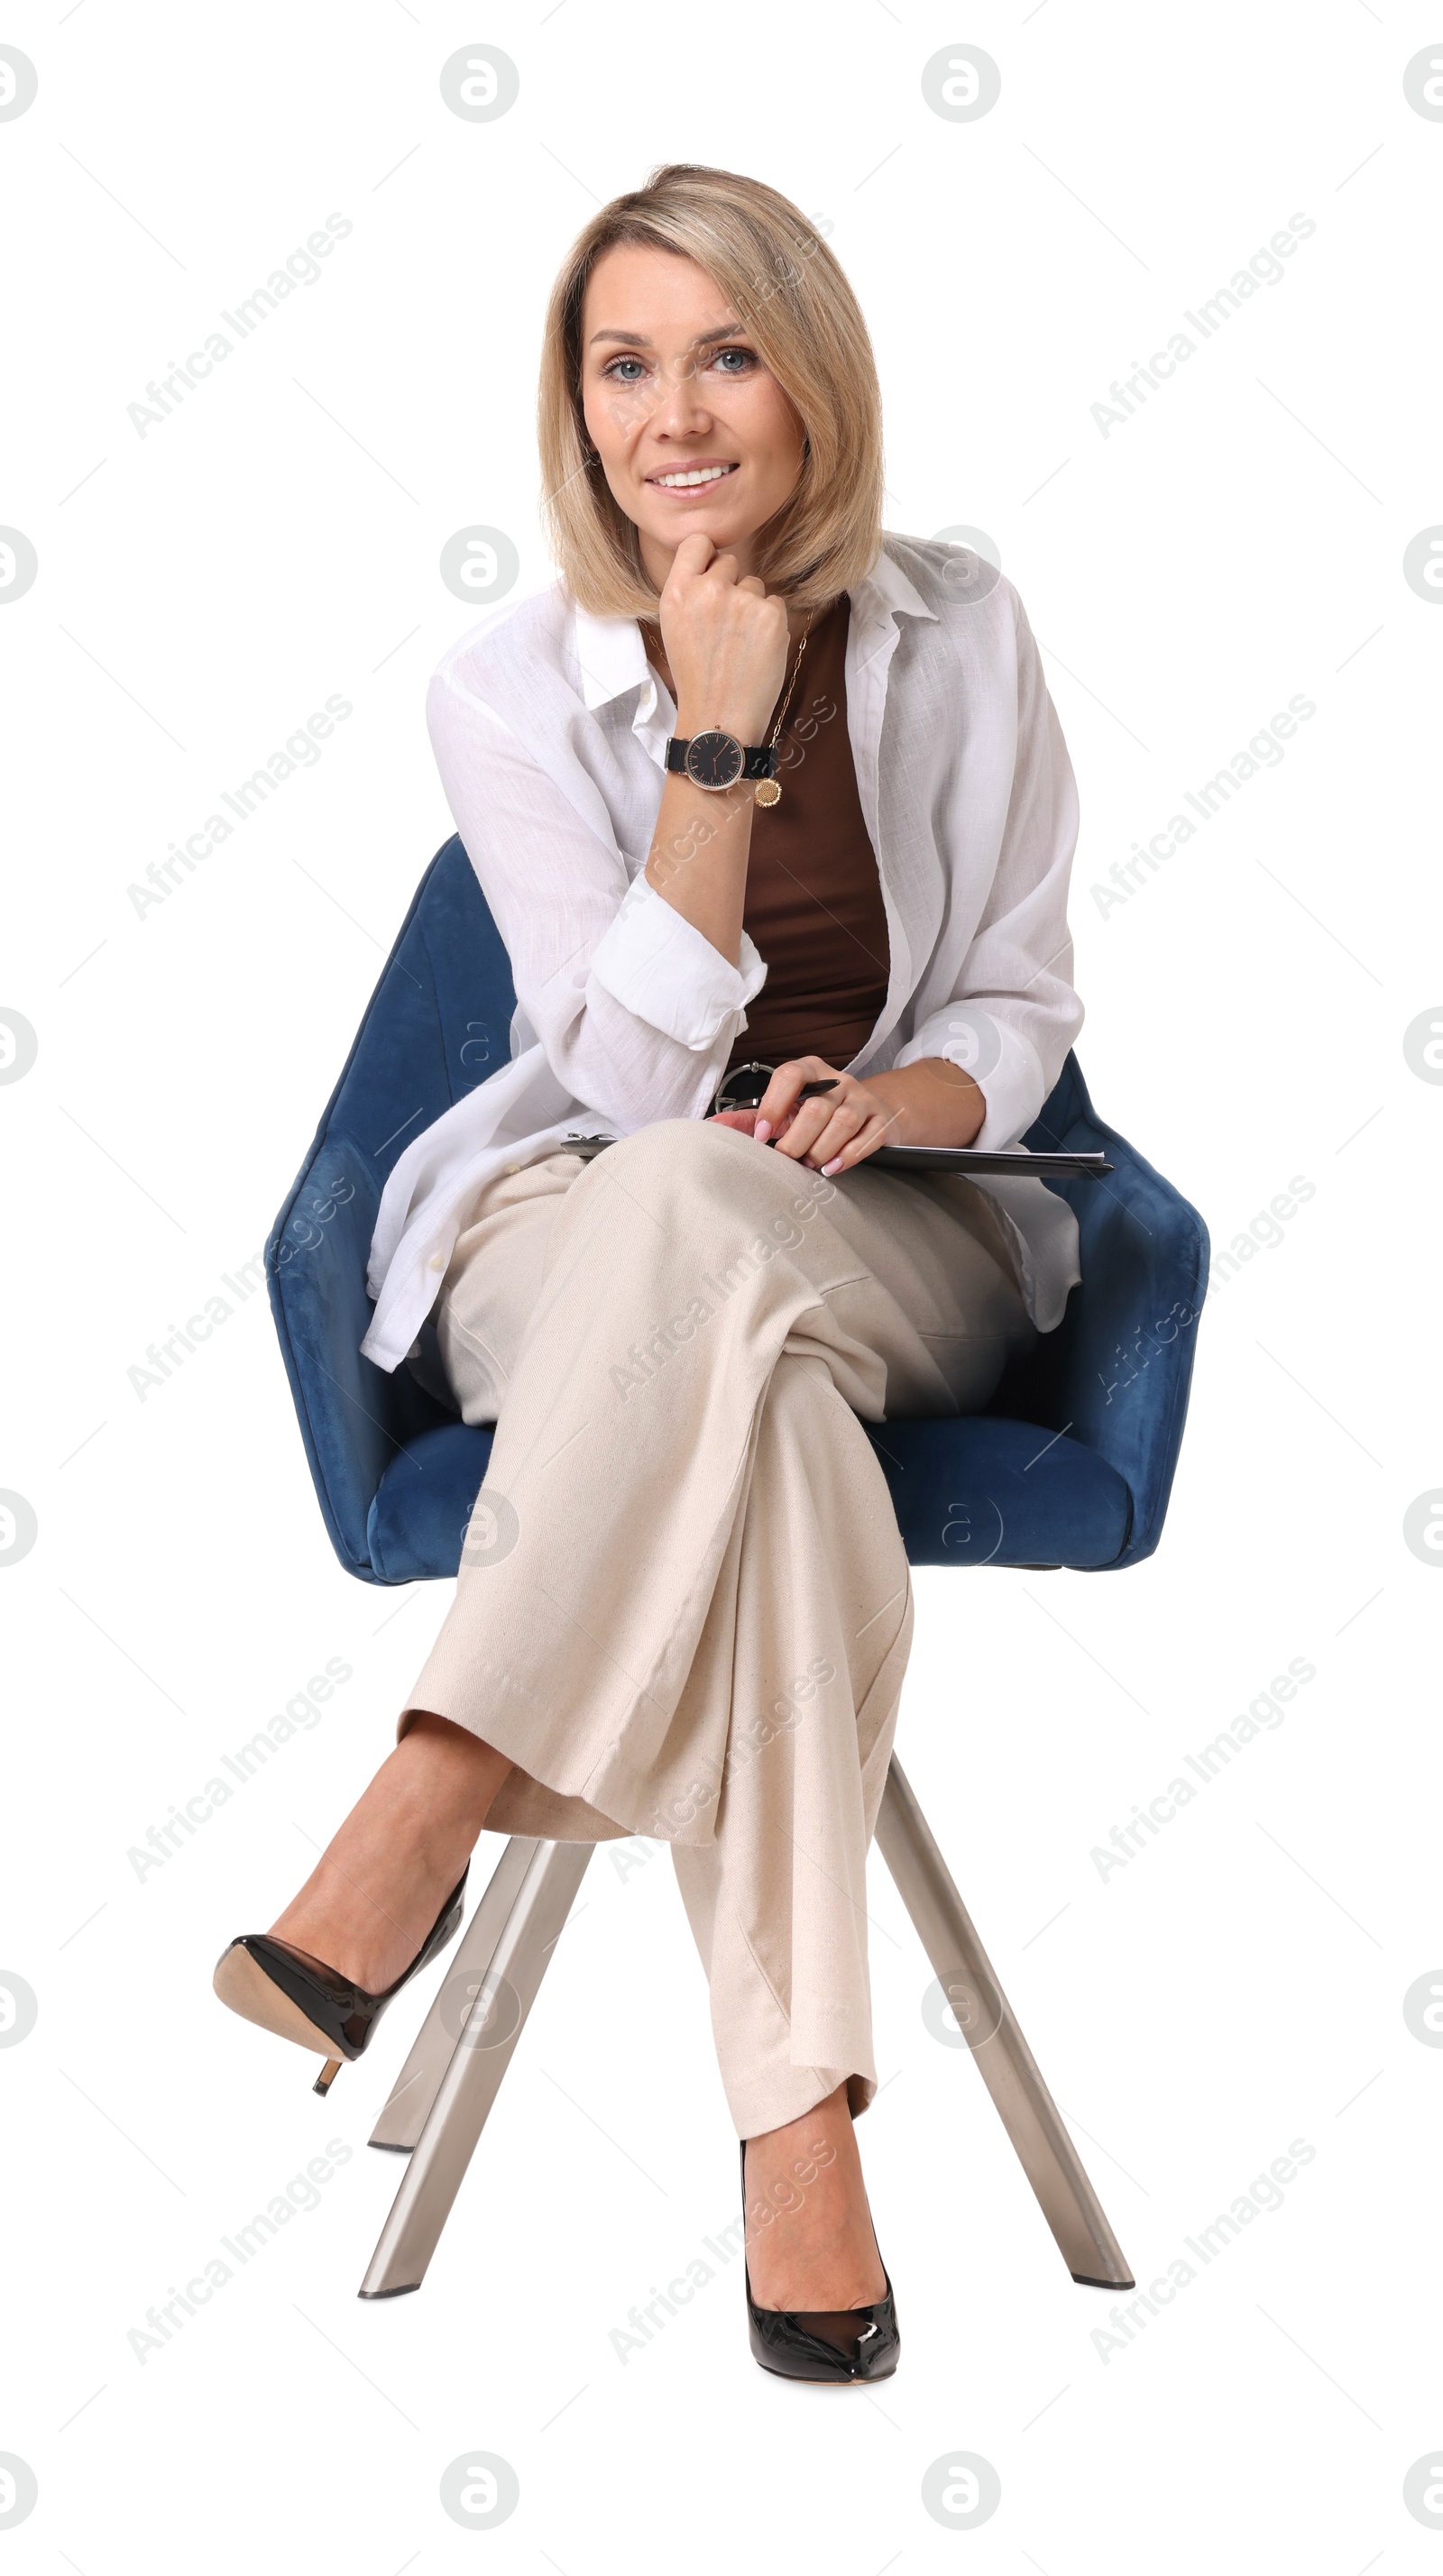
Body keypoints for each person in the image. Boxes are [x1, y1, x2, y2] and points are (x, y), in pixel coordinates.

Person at [215, 162, 1084, 2384]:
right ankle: (799, 2133)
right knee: (720, 1311)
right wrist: (710, 734)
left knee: (741, 1249)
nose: (670, 412)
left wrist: (896, 1109)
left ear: (811, 378)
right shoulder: (509, 691)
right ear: (572, 402)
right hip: (578, 1225)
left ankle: (428, 1790)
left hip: (891, 1229)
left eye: (722, 352)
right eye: (622, 362)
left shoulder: (962, 628)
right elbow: (608, 1074)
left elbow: (1011, 999)